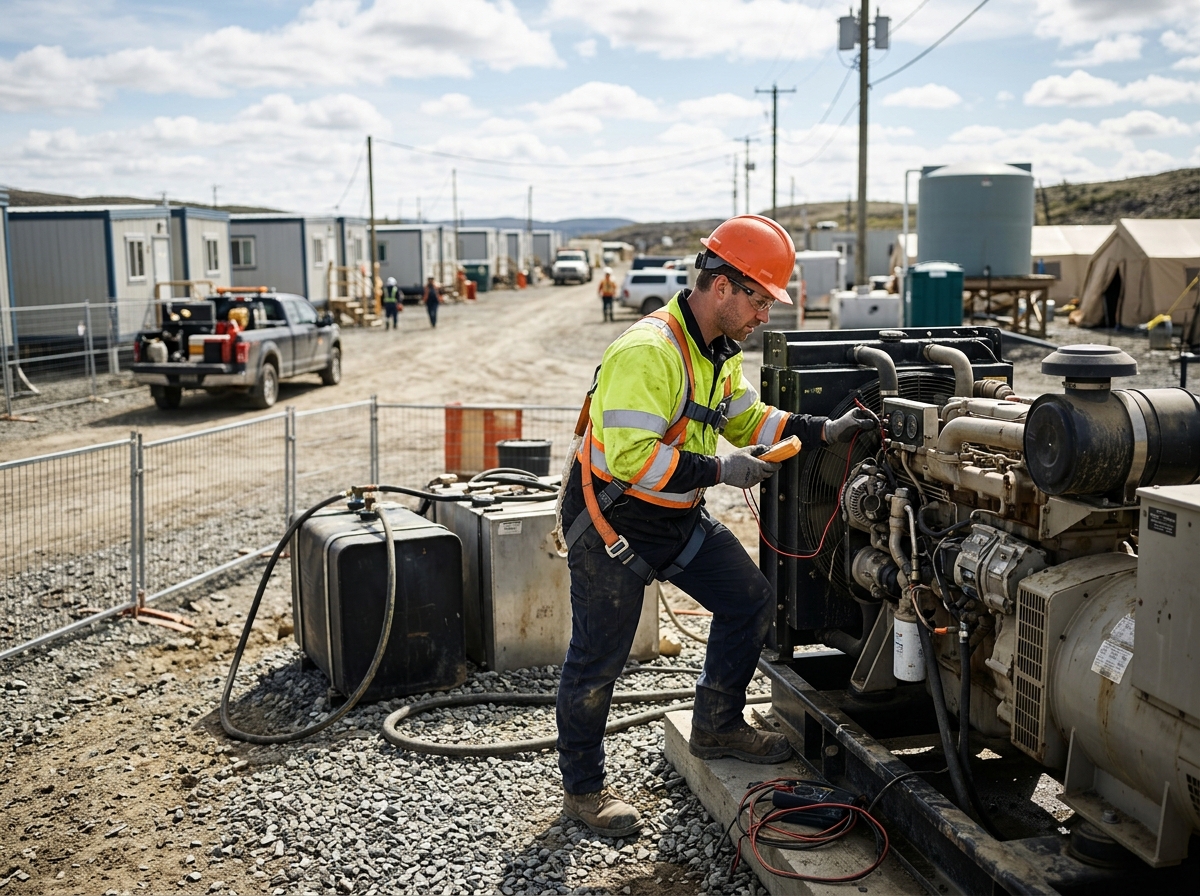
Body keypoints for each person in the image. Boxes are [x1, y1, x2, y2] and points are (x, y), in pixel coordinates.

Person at [555, 215, 876, 838]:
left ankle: (718, 724)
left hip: (675, 513)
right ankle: (584, 792)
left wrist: (819, 431)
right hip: (612, 520)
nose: (764, 316)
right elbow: (632, 459)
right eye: (759, 299)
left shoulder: (717, 354)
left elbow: (750, 421)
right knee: (599, 659)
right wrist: (721, 469)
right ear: (723, 286)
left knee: (750, 599)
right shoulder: (649, 351)